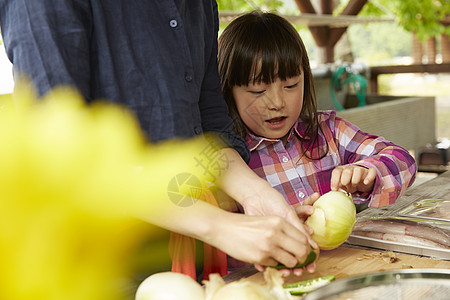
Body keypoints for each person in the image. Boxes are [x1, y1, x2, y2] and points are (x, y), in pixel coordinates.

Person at [0, 0, 317, 283]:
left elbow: (209, 124)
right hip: (103, 263)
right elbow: (63, 156)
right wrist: (220, 226)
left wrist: (255, 194)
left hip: (192, 252)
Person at [217, 11, 417, 211]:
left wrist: (367, 172)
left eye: (291, 85)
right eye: (258, 91)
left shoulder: (328, 131)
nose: (277, 103)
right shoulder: (229, 159)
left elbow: (403, 160)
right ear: (228, 91)